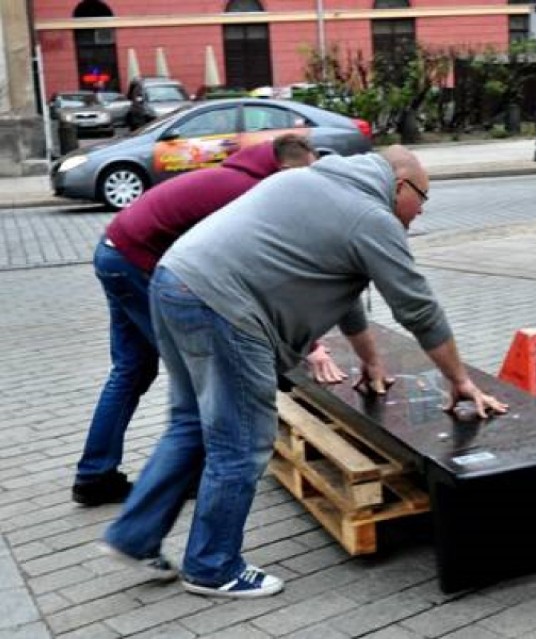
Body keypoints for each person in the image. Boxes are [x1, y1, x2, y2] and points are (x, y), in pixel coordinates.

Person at [101, 145, 509, 598]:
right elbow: (418, 308)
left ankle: (133, 536)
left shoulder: (314, 183)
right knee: (240, 442)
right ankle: (212, 566)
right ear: (400, 185)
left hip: (174, 280)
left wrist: (371, 359)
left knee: (191, 422)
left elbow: (344, 291)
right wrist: (459, 380)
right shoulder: (371, 218)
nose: (420, 212)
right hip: (224, 308)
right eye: (423, 198)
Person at [74, 134, 346, 507]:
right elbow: (255, 275)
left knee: (132, 369)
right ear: (283, 170)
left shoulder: (236, 177)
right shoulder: (247, 192)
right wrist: (308, 345)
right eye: (302, 179)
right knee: (201, 372)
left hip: (115, 252)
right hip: (138, 262)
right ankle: (184, 478)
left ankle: (95, 476)